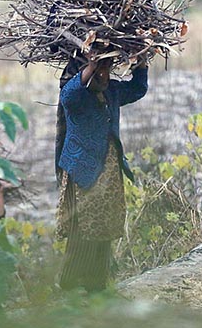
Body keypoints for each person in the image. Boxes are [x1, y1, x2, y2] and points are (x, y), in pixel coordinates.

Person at [55, 53, 148, 292]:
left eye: (107, 68)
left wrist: (141, 60)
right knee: (83, 228)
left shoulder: (112, 92)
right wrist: (92, 64)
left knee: (104, 225)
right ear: (85, 74)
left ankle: (97, 284)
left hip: (107, 169)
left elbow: (138, 89)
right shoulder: (75, 96)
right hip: (81, 171)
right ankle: (71, 284)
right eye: (99, 72)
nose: (104, 76)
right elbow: (69, 94)